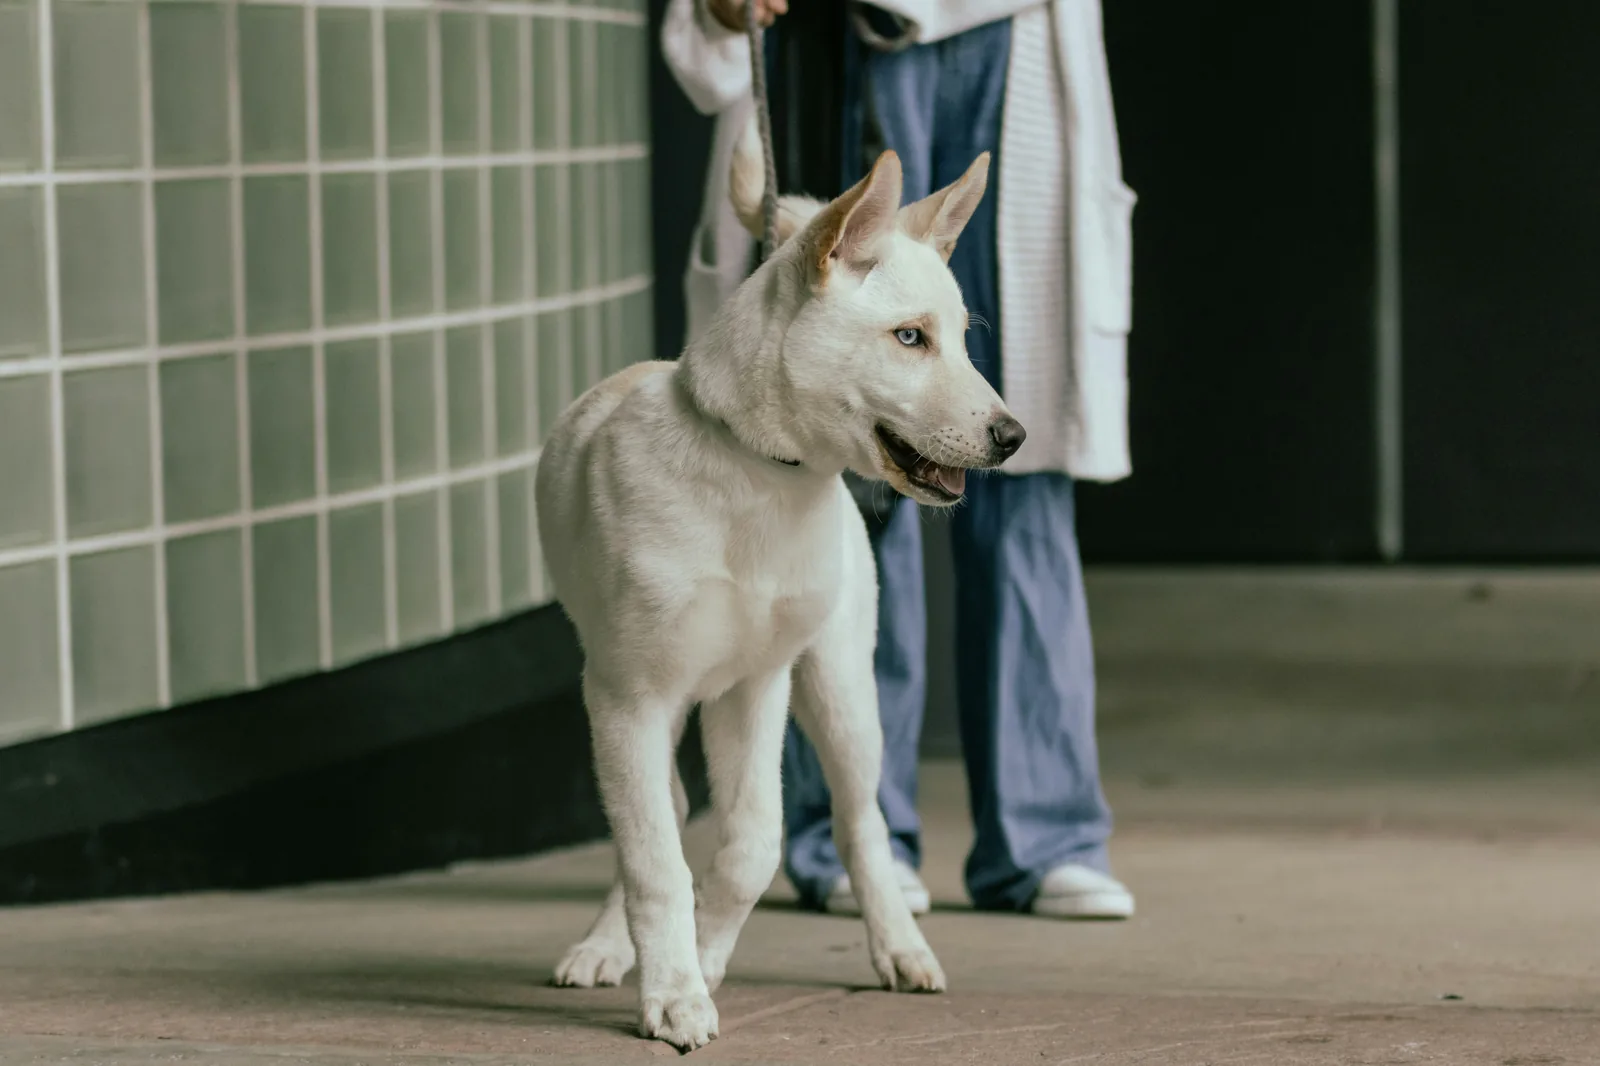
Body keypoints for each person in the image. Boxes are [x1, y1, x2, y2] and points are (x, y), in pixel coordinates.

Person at [660, 0, 1137, 919]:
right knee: (856, 435)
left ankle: (1043, 836)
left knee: (1010, 444)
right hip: (846, 31)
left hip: (1009, 32)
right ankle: (853, 831)